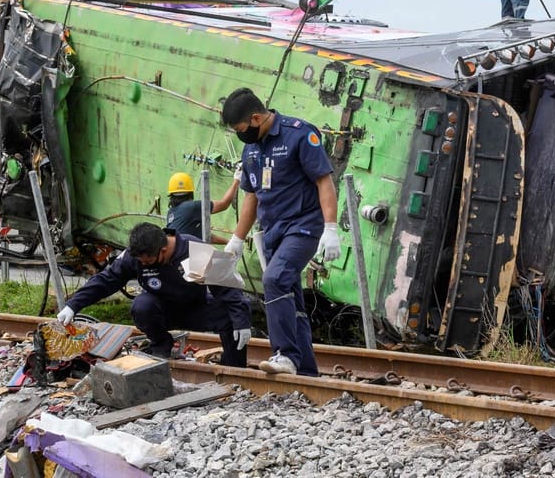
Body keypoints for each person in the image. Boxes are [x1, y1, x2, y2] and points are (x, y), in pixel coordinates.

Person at [221, 87, 341, 376]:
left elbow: (324, 181)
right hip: (273, 232)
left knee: (274, 280)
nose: (240, 135)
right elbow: (252, 197)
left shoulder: (299, 134)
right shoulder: (250, 149)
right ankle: (306, 371)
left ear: (256, 117)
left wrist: (331, 227)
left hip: (303, 226)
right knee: (290, 298)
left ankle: (285, 354)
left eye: (240, 129)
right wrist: (236, 239)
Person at [56, 222, 251, 365]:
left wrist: (241, 322)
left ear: (163, 251)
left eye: (148, 262)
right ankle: (161, 347)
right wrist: (73, 305)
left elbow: (226, 288)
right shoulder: (137, 256)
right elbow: (107, 279)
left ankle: (233, 365)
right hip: (161, 310)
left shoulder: (194, 251)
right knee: (142, 306)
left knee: (230, 315)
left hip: (195, 307)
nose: (143, 265)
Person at [166, 168, 241, 245]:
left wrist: (229, 243)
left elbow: (206, 237)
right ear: (191, 192)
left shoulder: (171, 213)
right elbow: (224, 204)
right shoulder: (192, 207)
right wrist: (237, 180)